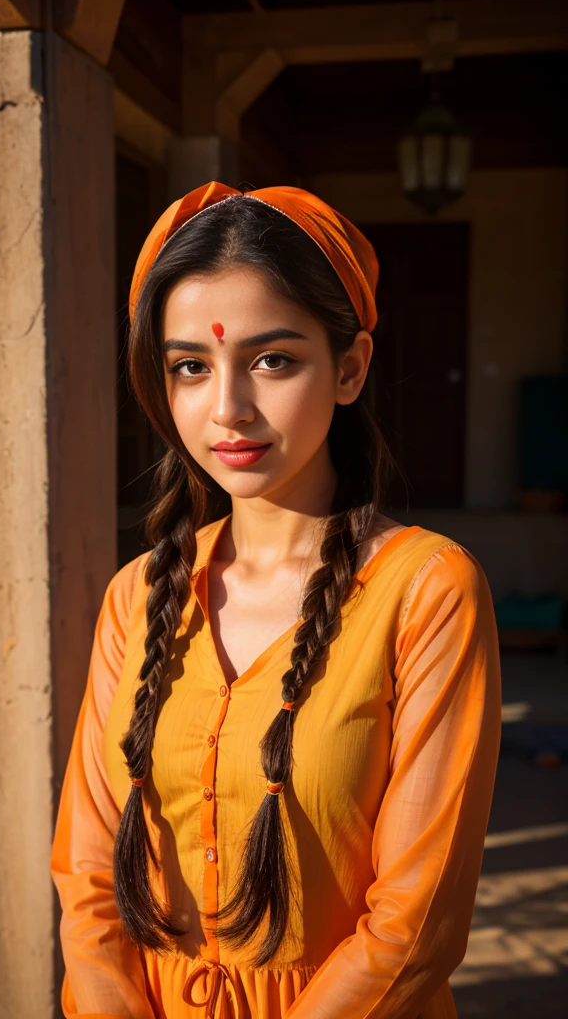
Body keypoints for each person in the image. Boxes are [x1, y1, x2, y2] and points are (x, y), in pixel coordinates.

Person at [50, 181, 501, 1019]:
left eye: (272, 360)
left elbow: (416, 921)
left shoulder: (426, 591)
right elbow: (88, 882)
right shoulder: (139, 596)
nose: (227, 409)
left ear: (350, 368)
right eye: (191, 365)